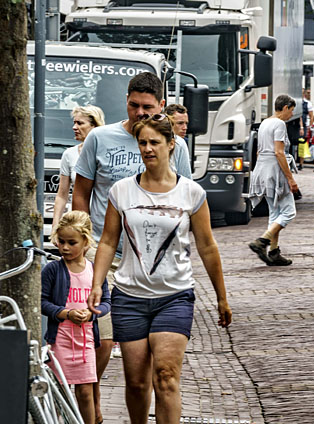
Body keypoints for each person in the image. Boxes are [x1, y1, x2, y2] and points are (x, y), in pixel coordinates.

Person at [88, 115, 231, 424]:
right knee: (137, 384)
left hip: (174, 296)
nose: (148, 149)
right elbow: (109, 241)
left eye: (155, 142)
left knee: (165, 376)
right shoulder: (121, 191)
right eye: (143, 142)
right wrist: (97, 283)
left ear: (171, 145)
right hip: (129, 297)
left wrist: (221, 296)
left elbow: (207, 246)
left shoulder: (191, 194)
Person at [72, 72, 192, 424]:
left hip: (154, 267)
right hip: (104, 257)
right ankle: (92, 415)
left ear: (161, 105)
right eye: (134, 105)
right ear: (126, 101)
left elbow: (184, 198)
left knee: (154, 369)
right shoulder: (100, 137)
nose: (140, 112)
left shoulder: (175, 146)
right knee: (101, 346)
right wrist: (83, 243)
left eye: (148, 107)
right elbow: (82, 191)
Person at [41, 211, 111, 424]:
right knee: (60, 391)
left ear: (86, 242)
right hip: (60, 339)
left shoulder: (95, 270)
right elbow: (42, 301)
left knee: (85, 392)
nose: (64, 247)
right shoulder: (53, 269)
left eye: (72, 243)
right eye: (61, 242)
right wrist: (66, 313)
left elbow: (106, 301)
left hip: (86, 341)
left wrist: (92, 312)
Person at [248, 95, 301, 266]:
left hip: (262, 168)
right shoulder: (279, 124)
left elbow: (258, 151)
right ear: (285, 108)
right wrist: (290, 179)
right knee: (288, 212)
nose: (291, 115)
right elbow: (279, 152)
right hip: (274, 169)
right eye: (291, 111)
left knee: (275, 212)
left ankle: (274, 251)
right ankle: (263, 241)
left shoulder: (265, 122)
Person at [52, 106, 106, 238]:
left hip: (105, 223)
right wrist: (55, 227)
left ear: (94, 126)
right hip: (81, 226)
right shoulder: (69, 154)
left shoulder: (107, 153)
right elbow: (62, 195)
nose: (74, 127)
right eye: (74, 122)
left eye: (80, 123)